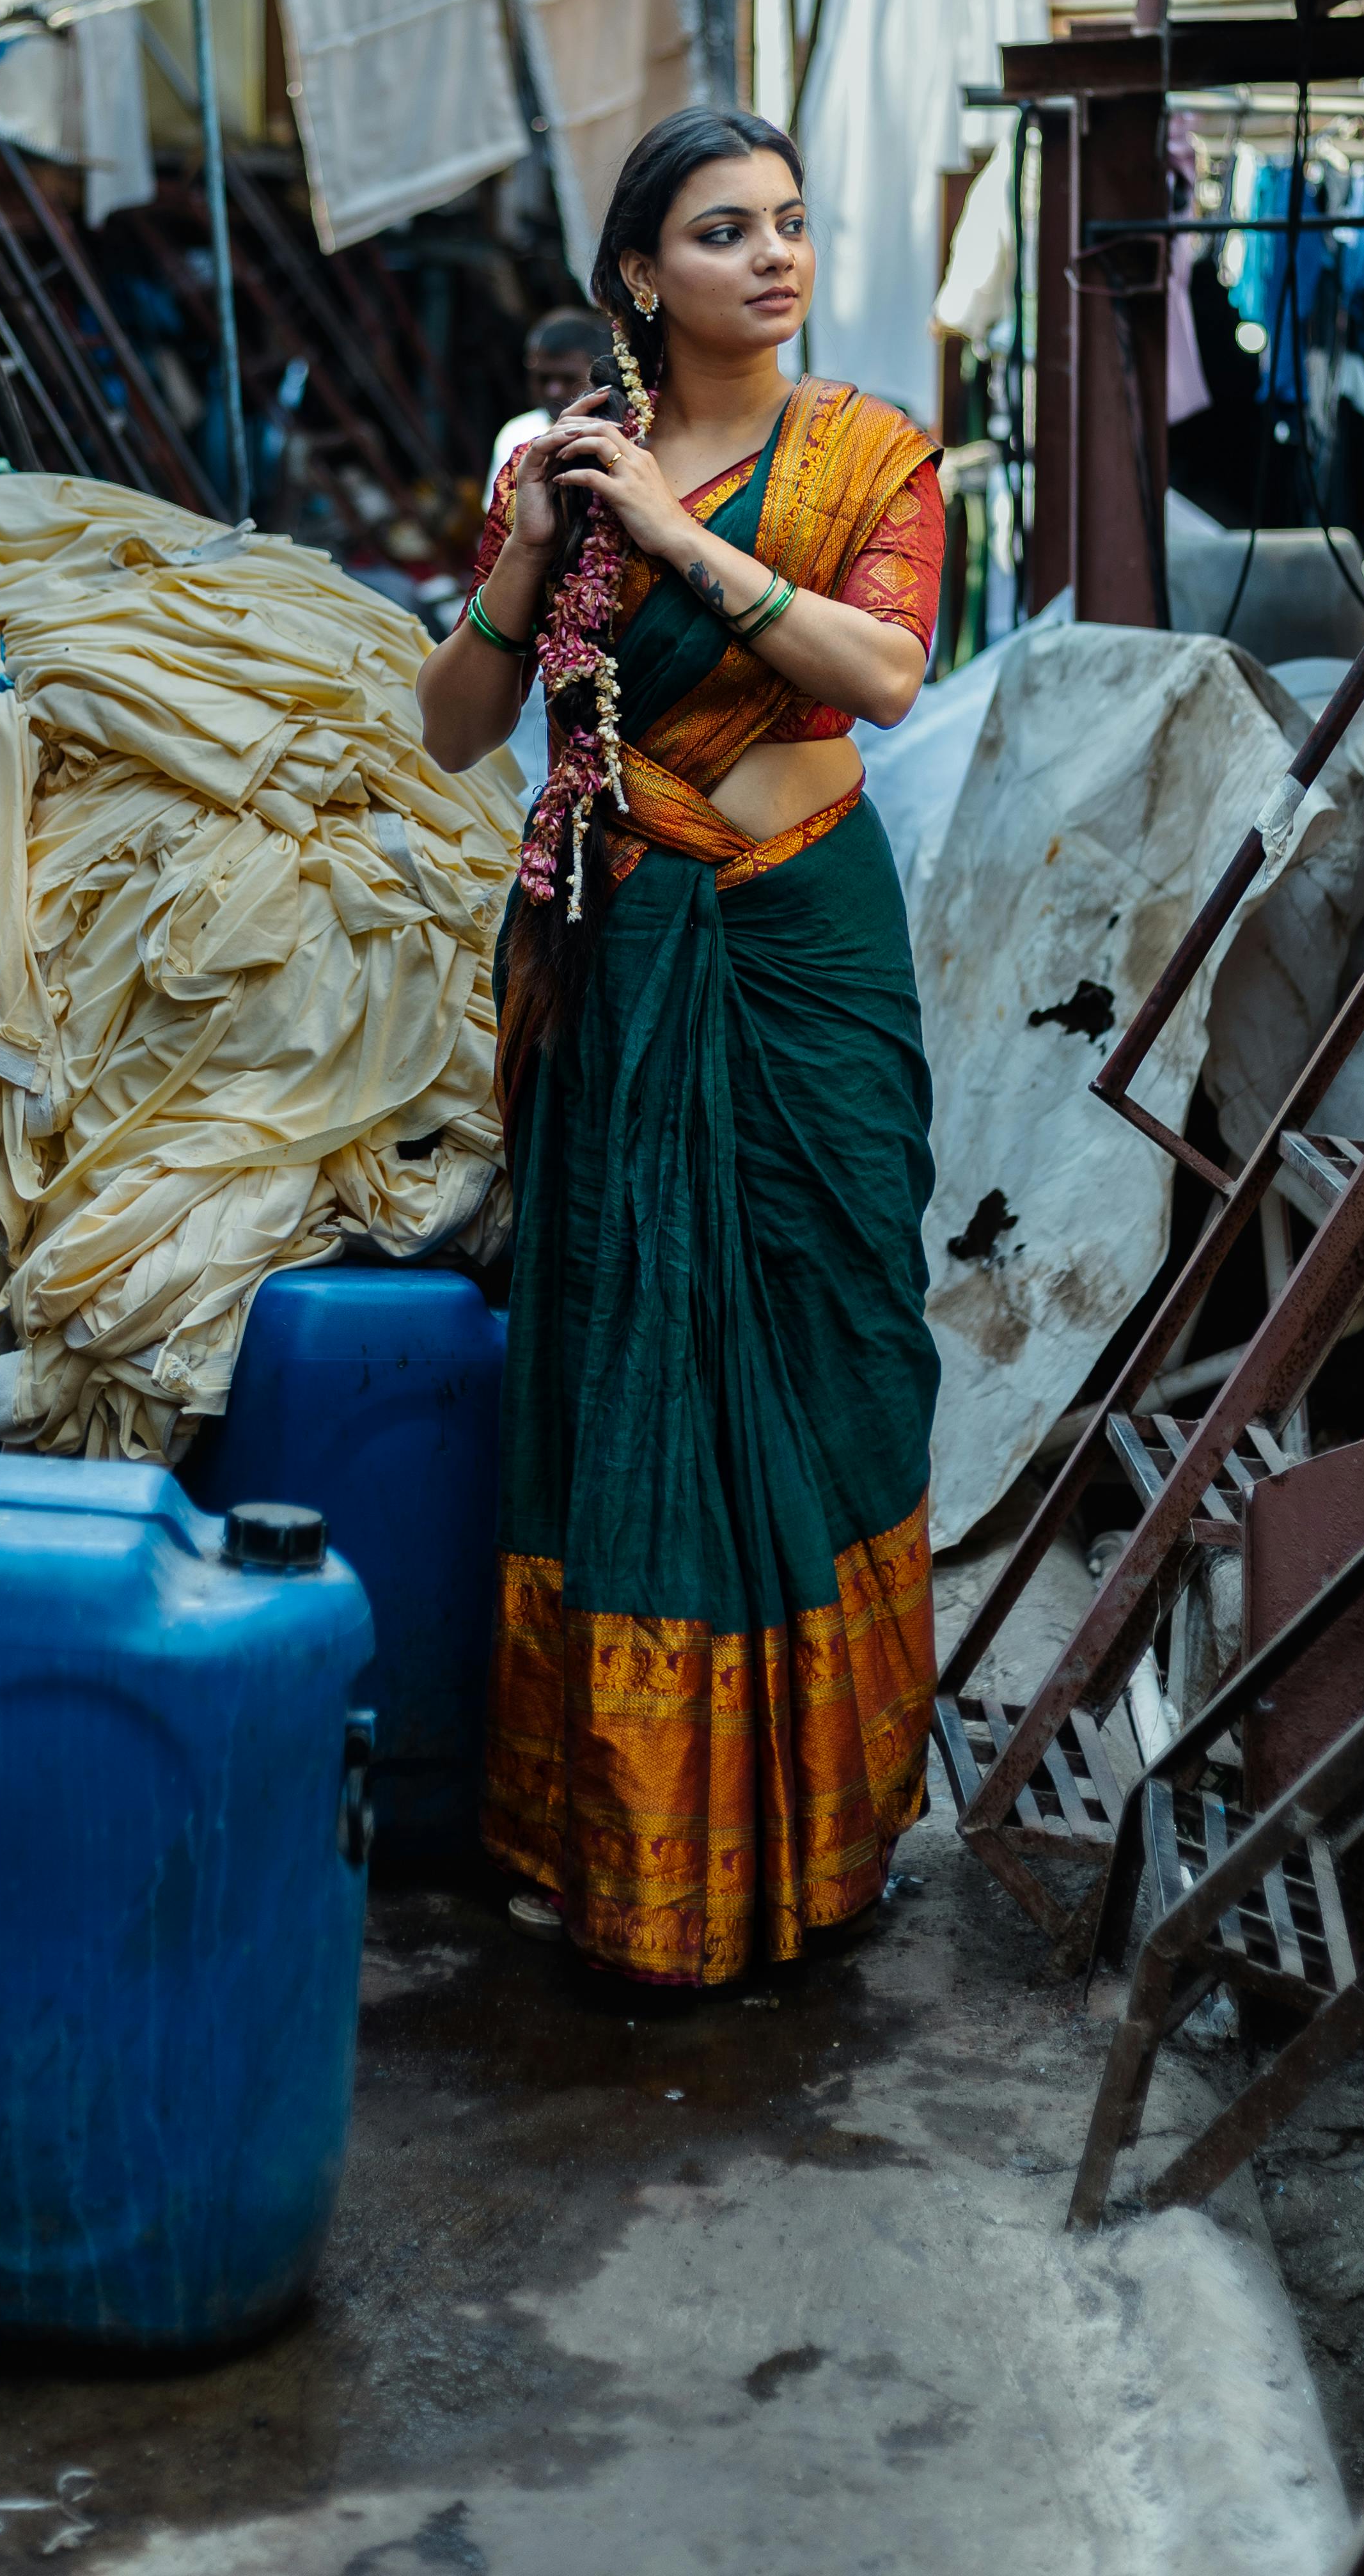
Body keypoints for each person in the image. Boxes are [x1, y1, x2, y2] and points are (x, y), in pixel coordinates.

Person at [418, 110, 945, 1989]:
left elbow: (887, 671)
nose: (772, 257)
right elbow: (452, 726)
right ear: (644, 273)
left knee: (837, 1331)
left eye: (792, 222)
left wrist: (672, 543)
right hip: (618, 952)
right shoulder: (560, 466)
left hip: (803, 939)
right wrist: (539, 545)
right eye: (725, 231)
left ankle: (831, 1819)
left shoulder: (870, 455)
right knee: (616, 1345)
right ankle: (629, 1836)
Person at [485, 307, 605, 492]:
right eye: (543, 379)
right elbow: (500, 516)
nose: (554, 391)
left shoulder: (621, 431)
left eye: (569, 379)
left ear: (599, 375)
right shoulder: (517, 435)